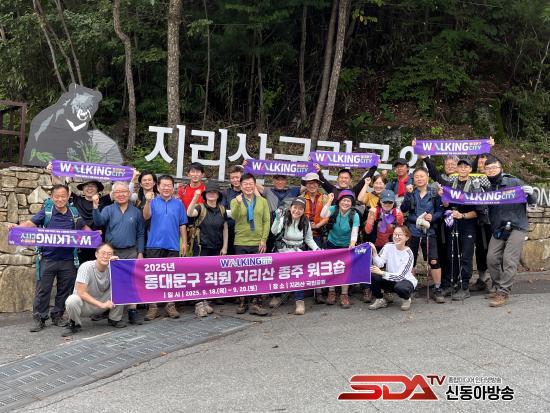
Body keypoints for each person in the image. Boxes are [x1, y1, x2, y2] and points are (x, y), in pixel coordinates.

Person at [10, 184, 92, 332]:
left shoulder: (74, 213)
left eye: (63, 196)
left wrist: (94, 235)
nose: (60, 199)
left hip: (68, 260)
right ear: (52, 197)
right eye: (57, 197)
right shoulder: (46, 212)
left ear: (68, 197)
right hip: (47, 259)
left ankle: (57, 316)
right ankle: (40, 318)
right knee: (43, 290)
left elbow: (84, 228)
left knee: (64, 290)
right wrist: (17, 228)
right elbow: (30, 223)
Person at [423, 156, 484, 300]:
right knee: (452, 255)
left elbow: (479, 210)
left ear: (470, 169)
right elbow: (436, 177)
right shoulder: (451, 184)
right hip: (453, 224)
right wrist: (444, 198)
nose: (463, 169)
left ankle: (464, 287)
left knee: (465, 256)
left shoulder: (475, 186)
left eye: (466, 167)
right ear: (457, 168)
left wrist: (462, 215)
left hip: (468, 225)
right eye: (460, 166)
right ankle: (449, 284)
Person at [484, 155, 537, 307]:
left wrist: (530, 193)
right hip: (498, 227)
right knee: (491, 258)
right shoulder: (487, 188)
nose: (491, 170)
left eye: (494, 167)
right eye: (488, 168)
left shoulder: (514, 182)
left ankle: (503, 292)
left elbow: (532, 200)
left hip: (517, 225)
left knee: (509, 259)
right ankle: (497, 286)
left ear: (501, 169)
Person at [92, 181, 145, 324]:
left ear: (129, 193)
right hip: (111, 253)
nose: (121, 194)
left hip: (131, 251)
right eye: (117, 192)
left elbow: (140, 233)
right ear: (113, 194)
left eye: (124, 192)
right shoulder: (108, 209)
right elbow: (99, 223)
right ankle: (106, 310)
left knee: (131, 282)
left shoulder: (136, 212)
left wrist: (140, 252)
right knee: (109, 282)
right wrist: (95, 207)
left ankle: (132, 311)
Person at [143, 175, 188, 320]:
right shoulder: (152, 202)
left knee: (171, 278)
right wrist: (147, 201)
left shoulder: (179, 204)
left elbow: (182, 224)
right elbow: (146, 216)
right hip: (154, 245)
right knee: (153, 278)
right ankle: (153, 307)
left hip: (173, 245)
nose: (166, 188)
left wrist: (184, 242)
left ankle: (170, 305)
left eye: (169, 185)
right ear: (158, 187)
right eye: (163, 185)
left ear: (173, 187)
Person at [400, 167, 444, 303]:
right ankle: (412, 286)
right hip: (413, 231)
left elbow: (440, 211)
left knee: (434, 260)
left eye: (422, 176)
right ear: (413, 179)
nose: (419, 179)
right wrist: (408, 195)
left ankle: (437, 288)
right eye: (417, 177)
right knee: (411, 260)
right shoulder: (411, 192)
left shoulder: (434, 193)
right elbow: (403, 209)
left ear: (427, 177)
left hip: (430, 231)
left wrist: (433, 217)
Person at [62, 243, 126, 336]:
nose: (106, 256)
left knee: (122, 288)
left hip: (105, 301)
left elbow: (126, 281)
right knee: (72, 300)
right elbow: (81, 292)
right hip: (85, 304)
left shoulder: (112, 267)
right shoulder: (86, 267)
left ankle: (114, 319)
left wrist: (118, 265)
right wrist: (101, 305)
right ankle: (74, 323)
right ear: (96, 254)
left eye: (109, 254)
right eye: (103, 253)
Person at [271, 197, 321, 315]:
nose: (297, 211)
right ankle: (276, 295)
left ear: (303, 211)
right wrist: (277, 219)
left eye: (300, 209)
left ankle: (299, 301)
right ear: (290, 208)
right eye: (295, 208)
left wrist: (317, 249)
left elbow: (309, 239)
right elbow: (274, 231)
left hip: (298, 251)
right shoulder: (283, 218)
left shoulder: (305, 222)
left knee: (299, 275)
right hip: (283, 250)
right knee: (278, 272)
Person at [230, 173, 271, 316]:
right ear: (241, 186)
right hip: (241, 241)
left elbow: (266, 221)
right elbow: (234, 217)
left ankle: (256, 302)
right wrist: (238, 204)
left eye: (250, 183)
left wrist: (263, 239)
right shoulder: (235, 200)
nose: (248, 186)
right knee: (242, 273)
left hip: (257, 242)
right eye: (245, 184)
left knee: (256, 273)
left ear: (255, 185)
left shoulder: (262, 201)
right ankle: (243, 301)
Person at [186, 180, 229, 317]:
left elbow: (225, 228)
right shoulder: (200, 208)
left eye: (214, 192)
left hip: (216, 247)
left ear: (218, 195)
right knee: (199, 275)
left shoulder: (222, 209)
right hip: (201, 247)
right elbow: (189, 213)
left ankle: (205, 301)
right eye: (209, 192)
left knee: (210, 275)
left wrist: (225, 246)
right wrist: (195, 197)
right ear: (205, 194)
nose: (211, 194)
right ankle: (198, 303)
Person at [319, 190, 360, 308]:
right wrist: (329, 201)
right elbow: (323, 215)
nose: (346, 203)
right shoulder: (333, 209)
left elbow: (354, 231)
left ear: (352, 203)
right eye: (344, 200)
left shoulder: (354, 215)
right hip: (331, 243)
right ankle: (331, 292)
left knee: (345, 269)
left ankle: (344, 294)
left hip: (346, 245)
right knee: (332, 268)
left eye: (348, 201)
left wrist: (352, 243)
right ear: (339, 201)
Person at [363, 189, 404, 302]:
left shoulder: (398, 214)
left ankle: (387, 290)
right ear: (380, 201)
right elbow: (367, 231)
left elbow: (401, 231)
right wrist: (371, 217)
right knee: (371, 267)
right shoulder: (374, 211)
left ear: (393, 203)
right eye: (385, 201)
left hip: (390, 245)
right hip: (375, 243)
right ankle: (367, 289)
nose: (387, 204)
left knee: (389, 268)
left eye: (390, 202)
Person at [368, 225, 417, 311]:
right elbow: (379, 264)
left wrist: (382, 273)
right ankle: (380, 299)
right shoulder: (388, 246)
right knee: (372, 274)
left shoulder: (408, 254)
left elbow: (400, 276)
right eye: (395, 234)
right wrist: (375, 252)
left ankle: (406, 299)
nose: (396, 237)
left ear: (406, 238)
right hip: (390, 279)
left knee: (401, 287)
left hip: (405, 281)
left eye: (400, 235)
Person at [302, 172, 329, 303]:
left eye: (314, 183)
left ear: (318, 184)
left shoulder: (324, 198)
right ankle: (303, 289)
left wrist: (317, 225)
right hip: (302, 235)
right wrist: (307, 226)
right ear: (306, 185)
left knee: (317, 263)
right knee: (303, 262)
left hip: (319, 234)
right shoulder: (301, 198)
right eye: (309, 183)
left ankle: (318, 292)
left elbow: (327, 216)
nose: (312, 185)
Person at [223, 165, 244, 255]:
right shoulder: (226, 192)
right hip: (230, 230)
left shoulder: (248, 192)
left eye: (237, 177)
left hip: (245, 232)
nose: (235, 180)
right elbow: (223, 211)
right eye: (232, 178)